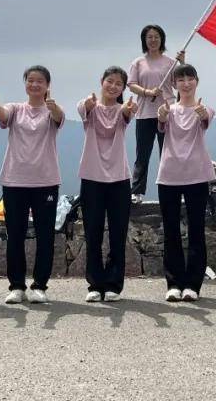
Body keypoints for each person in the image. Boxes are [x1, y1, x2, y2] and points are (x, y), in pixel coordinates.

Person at [0, 66, 65, 304]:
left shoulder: (52, 110)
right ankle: (17, 286)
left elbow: (59, 117)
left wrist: (53, 107)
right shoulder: (16, 108)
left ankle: (40, 286)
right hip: (14, 180)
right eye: (30, 81)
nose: (34, 85)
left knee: (45, 236)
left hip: (46, 181)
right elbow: (3, 114)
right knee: (16, 234)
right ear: (25, 84)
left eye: (39, 81)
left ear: (47, 85)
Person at [78, 67, 139, 302]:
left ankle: (113, 284)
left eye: (118, 84)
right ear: (101, 82)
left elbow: (126, 115)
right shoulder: (89, 108)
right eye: (109, 81)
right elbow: (83, 108)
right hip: (92, 177)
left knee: (117, 233)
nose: (113, 86)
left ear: (123, 89)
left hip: (119, 179)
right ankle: (94, 284)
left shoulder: (123, 110)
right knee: (92, 233)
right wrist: (89, 104)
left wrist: (126, 111)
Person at [156, 64, 214, 302]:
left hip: (197, 175)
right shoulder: (167, 110)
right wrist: (160, 117)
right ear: (175, 84)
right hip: (169, 174)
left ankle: (192, 284)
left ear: (197, 81)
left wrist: (202, 114)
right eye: (181, 79)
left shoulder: (205, 109)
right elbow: (160, 125)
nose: (186, 83)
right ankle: (173, 283)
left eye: (190, 79)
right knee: (170, 230)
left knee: (196, 230)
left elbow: (206, 119)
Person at [127, 24, 184, 203]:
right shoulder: (138, 62)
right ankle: (136, 192)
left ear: (162, 39)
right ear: (144, 40)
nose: (153, 40)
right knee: (142, 154)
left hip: (167, 113)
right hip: (145, 113)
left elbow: (181, 84)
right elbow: (131, 84)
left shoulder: (170, 63)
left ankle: (173, 188)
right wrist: (147, 92)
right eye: (149, 37)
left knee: (169, 153)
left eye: (156, 36)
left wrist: (182, 63)